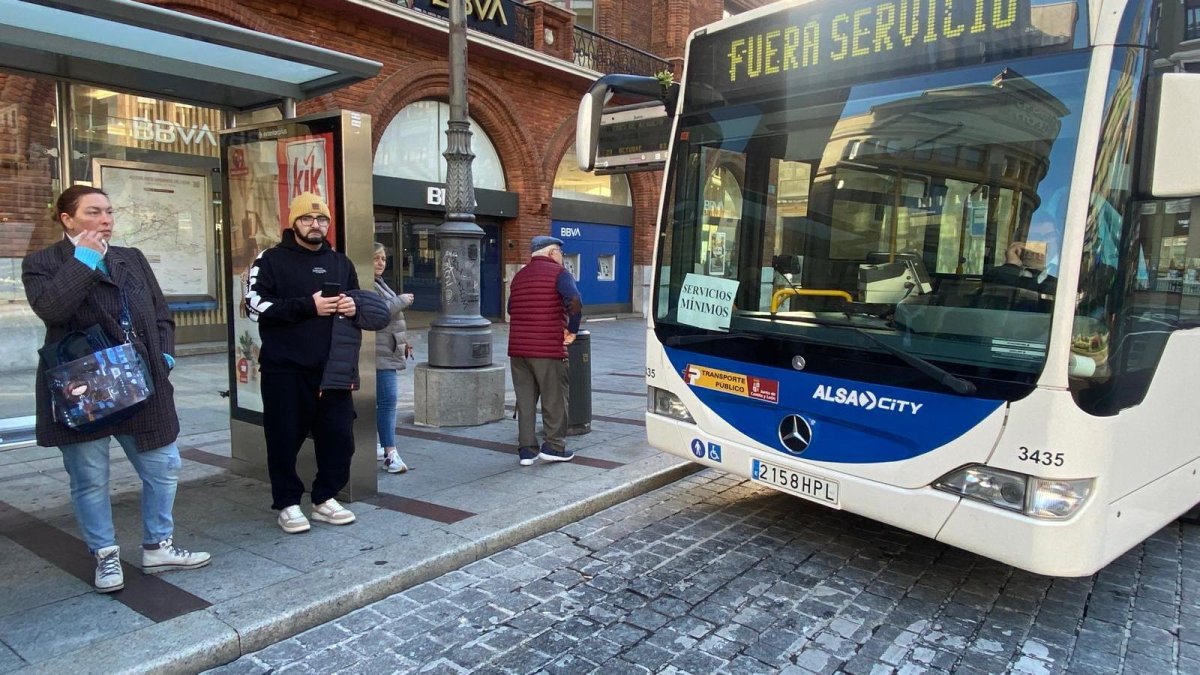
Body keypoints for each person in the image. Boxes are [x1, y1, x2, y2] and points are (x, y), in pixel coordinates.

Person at [22, 185, 210, 593]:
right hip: (81, 387)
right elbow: (52, 310)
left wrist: (164, 355)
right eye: (93, 212)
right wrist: (84, 260)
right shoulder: (42, 263)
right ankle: (105, 554)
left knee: (164, 465)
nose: (105, 219)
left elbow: (160, 313)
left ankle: (158, 546)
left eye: (108, 211)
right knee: (90, 477)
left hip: (139, 380)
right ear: (67, 218)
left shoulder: (130, 257)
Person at [245, 192, 389, 534]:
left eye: (322, 219)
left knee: (340, 438)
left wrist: (354, 307)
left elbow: (357, 302)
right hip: (285, 369)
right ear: (293, 222)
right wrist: (308, 306)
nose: (315, 225)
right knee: (283, 438)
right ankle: (287, 503)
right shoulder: (271, 259)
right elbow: (253, 306)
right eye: (307, 219)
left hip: (333, 370)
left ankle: (325, 497)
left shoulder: (341, 262)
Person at [507, 235, 583, 466]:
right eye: (561, 252)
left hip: (518, 351)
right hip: (548, 349)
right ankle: (554, 446)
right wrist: (572, 330)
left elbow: (511, 308)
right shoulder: (559, 273)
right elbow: (575, 301)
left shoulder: (519, 276)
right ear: (551, 253)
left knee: (525, 401)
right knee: (555, 399)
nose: (562, 257)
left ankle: (526, 450)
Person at [372, 242, 414, 474]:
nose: (381, 263)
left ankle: (379, 445)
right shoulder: (366, 283)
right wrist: (401, 300)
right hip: (378, 354)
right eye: (376, 258)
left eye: (383, 259)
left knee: (382, 401)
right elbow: (376, 312)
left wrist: (403, 341)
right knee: (388, 400)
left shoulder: (379, 282)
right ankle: (390, 453)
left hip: (386, 350)